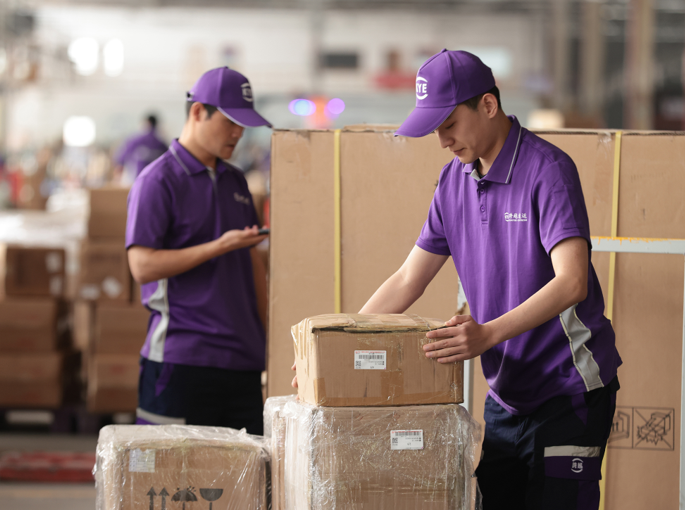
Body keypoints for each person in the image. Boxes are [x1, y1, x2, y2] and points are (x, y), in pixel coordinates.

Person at [293, 50, 622, 509]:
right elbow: (409, 278)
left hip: (568, 390)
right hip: (506, 395)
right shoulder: (453, 183)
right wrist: (333, 352)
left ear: (488, 105)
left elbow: (572, 282)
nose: (443, 141)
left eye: (449, 125)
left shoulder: (548, 171)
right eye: (435, 130)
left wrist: (486, 335)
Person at [126, 67, 271, 434]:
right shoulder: (157, 181)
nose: (238, 133)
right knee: (174, 470)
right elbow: (141, 266)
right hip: (182, 358)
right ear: (197, 112)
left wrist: (270, 339)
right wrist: (218, 246)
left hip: (243, 361)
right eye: (230, 122)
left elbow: (253, 263)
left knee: (248, 470)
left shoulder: (236, 181)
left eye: (243, 124)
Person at [115, 113, 168, 183]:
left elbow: (120, 161)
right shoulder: (162, 144)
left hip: (137, 181)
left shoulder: (135, 141)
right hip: (156, 182)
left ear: (147, 123)